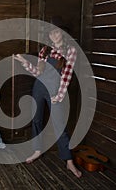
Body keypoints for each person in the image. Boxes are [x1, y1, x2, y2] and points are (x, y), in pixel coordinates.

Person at [13, 16, 82, 178]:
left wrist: (59, 96)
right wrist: (24, 61)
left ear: (62, 33)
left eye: (56, 32)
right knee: (36, 119)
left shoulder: (70, 51)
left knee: (59, 124)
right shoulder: (45, 50)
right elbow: (38, 72)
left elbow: (67, 76)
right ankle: (37, 150)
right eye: (51, 33)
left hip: (55, 91)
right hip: (39, 87)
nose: (54, 35)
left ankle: (68, 160)